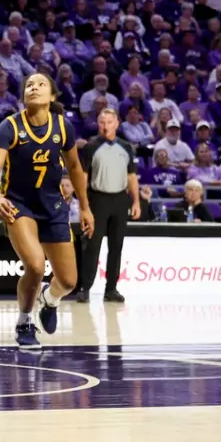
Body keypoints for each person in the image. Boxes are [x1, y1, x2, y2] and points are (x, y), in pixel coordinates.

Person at [0, 71, 91, 349]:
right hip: (18, 204)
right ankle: (24, 322)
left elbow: (76, 168)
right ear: (23, 95)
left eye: (41, 84)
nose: (34, 87)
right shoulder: (9, 127)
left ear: (52, 96)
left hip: (53, 206)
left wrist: (86, 208)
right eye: (29, 84)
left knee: (68, 281)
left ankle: (50, 299)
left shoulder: (63, 127)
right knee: (34, 264)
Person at [70, 106, 140, 302]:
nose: (105, 126)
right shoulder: (91, 147)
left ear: (117, 123)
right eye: (102, 123)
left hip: (119, 199)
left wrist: (136, 201)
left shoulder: (126, 147)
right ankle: (85, 288)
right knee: (92, 245)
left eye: (109, 123)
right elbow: (82, 178)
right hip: (97, 199)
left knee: (116, 247)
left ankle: (111, 289)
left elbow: (132, 176)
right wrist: (84, 204)